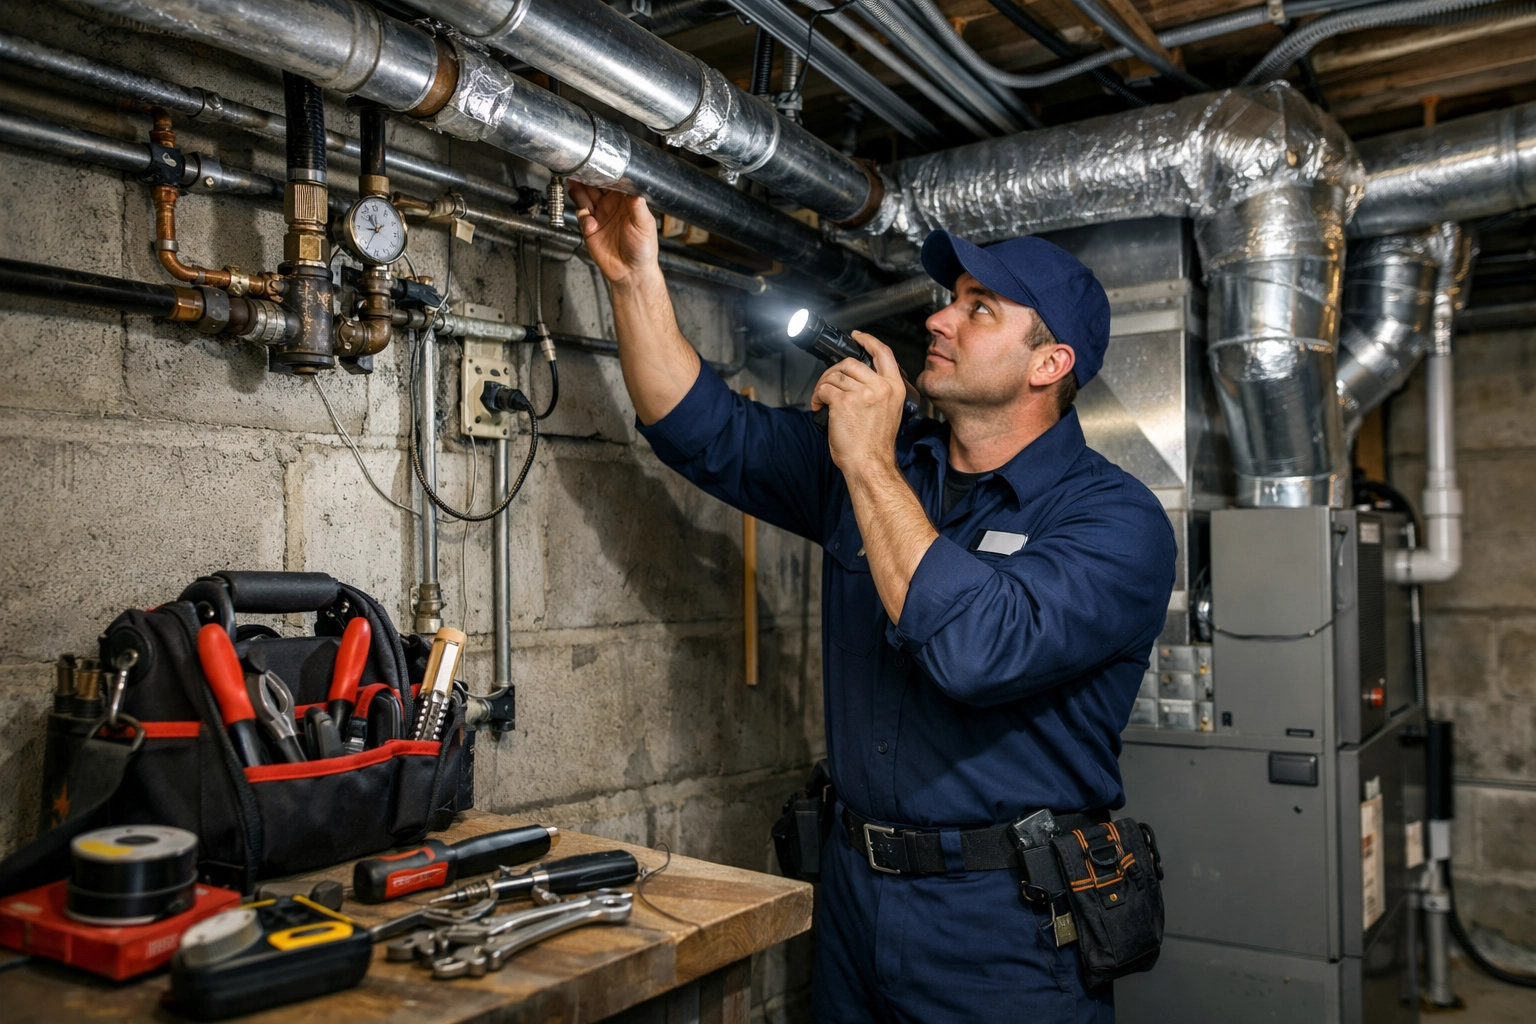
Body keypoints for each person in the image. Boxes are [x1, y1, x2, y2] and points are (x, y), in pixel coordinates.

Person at [569, 181, 1176, 1023]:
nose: (938, 320)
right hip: (856, 894)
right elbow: (701, 426)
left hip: (1005, 924)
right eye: (949, 300)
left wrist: (868, 464)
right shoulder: (900, 464)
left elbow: (974, 649)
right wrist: (636, 278)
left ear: (1049, 363)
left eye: (980, 309)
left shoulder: (1114, 521)